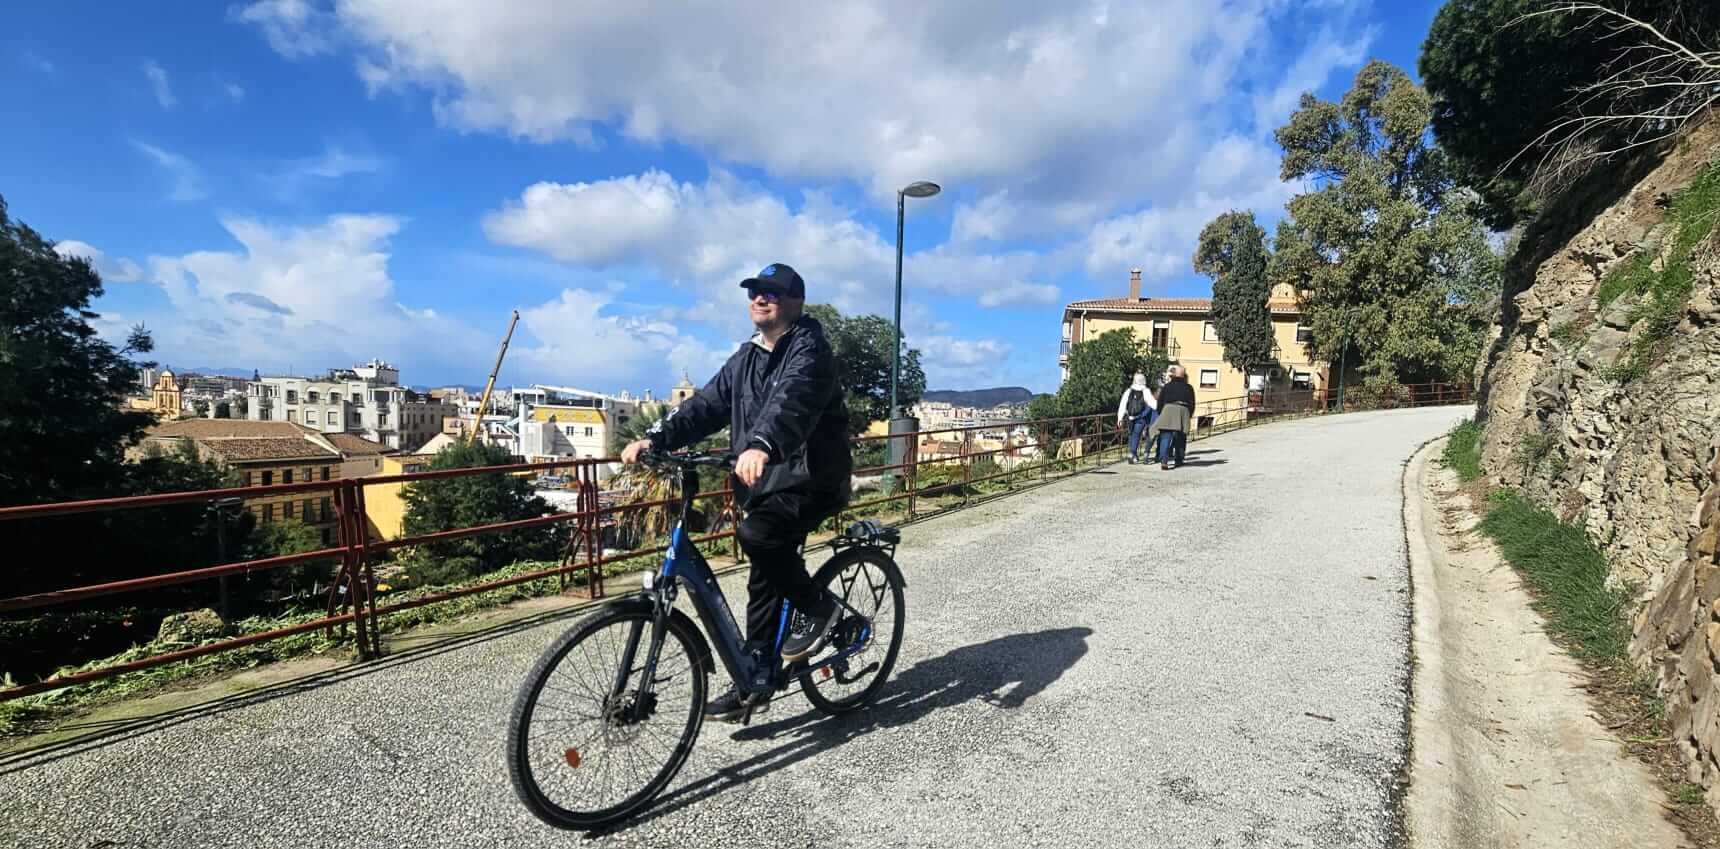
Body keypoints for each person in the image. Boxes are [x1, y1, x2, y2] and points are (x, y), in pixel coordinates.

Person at [619, 262, 853, 721]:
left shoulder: (810, 349)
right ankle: (756, 677)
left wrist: (762, 444)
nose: (760, 299)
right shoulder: (745, 358)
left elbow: (792, 400)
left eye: (772, 293)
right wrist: (656, 439)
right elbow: (705, 405)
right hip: (765, 481)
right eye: (754, 292)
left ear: (796, 301)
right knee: (763, 573)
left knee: (758, 537)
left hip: (811, 478)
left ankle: (819, 607)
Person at [1150, 365, 1196, 470]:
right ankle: (1178, 460)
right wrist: (1189, 415)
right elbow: (1192, 403)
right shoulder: (1189, 387)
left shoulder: (1167, 386)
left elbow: (1160, 401)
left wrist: (1161, 413)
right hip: (1183, 410)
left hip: (1168, 410)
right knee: (1181, 437)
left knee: (1165, 436)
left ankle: (1164, 460)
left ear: (1174, 375)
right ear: (1184, 375)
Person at [1115, 372, 1158, 464]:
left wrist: (1120, 418)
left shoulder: (1129, 391)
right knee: (1136, 434)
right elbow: (1153, 404)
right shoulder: (1145, 390)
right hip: (1140, 417)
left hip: (1130, 417)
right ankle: (1132, 453)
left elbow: (1123, 404)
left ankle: (1133, 454)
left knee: (1132, 435)